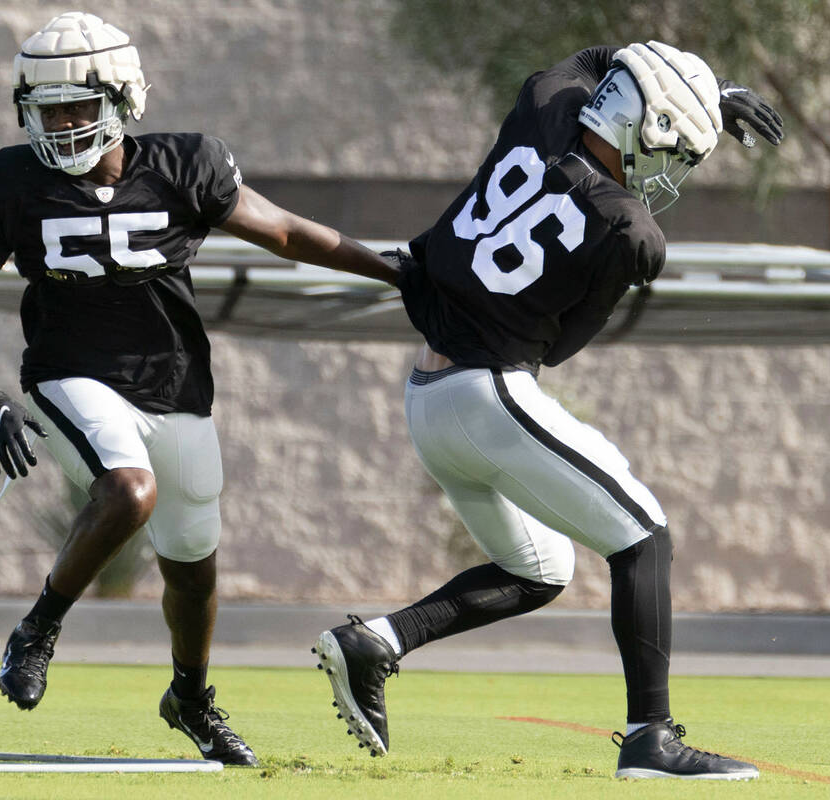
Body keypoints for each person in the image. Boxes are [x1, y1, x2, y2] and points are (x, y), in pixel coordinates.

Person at [0, 11, 398, 766]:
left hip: (174, 385)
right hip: (68, 374)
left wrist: (394, 270)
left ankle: (191, 698)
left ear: (124, 98)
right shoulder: (12, 183)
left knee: (192, 565)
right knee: (128, 492)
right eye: (48, 109)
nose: (63, 123)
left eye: (78, 105)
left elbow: (285, 232)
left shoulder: (185, 165)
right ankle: (38, 628)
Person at [312, 41, 784, 779]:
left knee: (539, 566)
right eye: (677, 149)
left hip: (426, 399)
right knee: (644, 537)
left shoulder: (546, 104)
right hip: (488, 391)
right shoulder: (633, 231)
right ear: (639, 126)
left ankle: (377, 641)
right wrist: (711, 91)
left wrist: (700, 90)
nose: (675, 169)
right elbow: (559, 348)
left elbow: (605, 54)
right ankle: (650, 739)